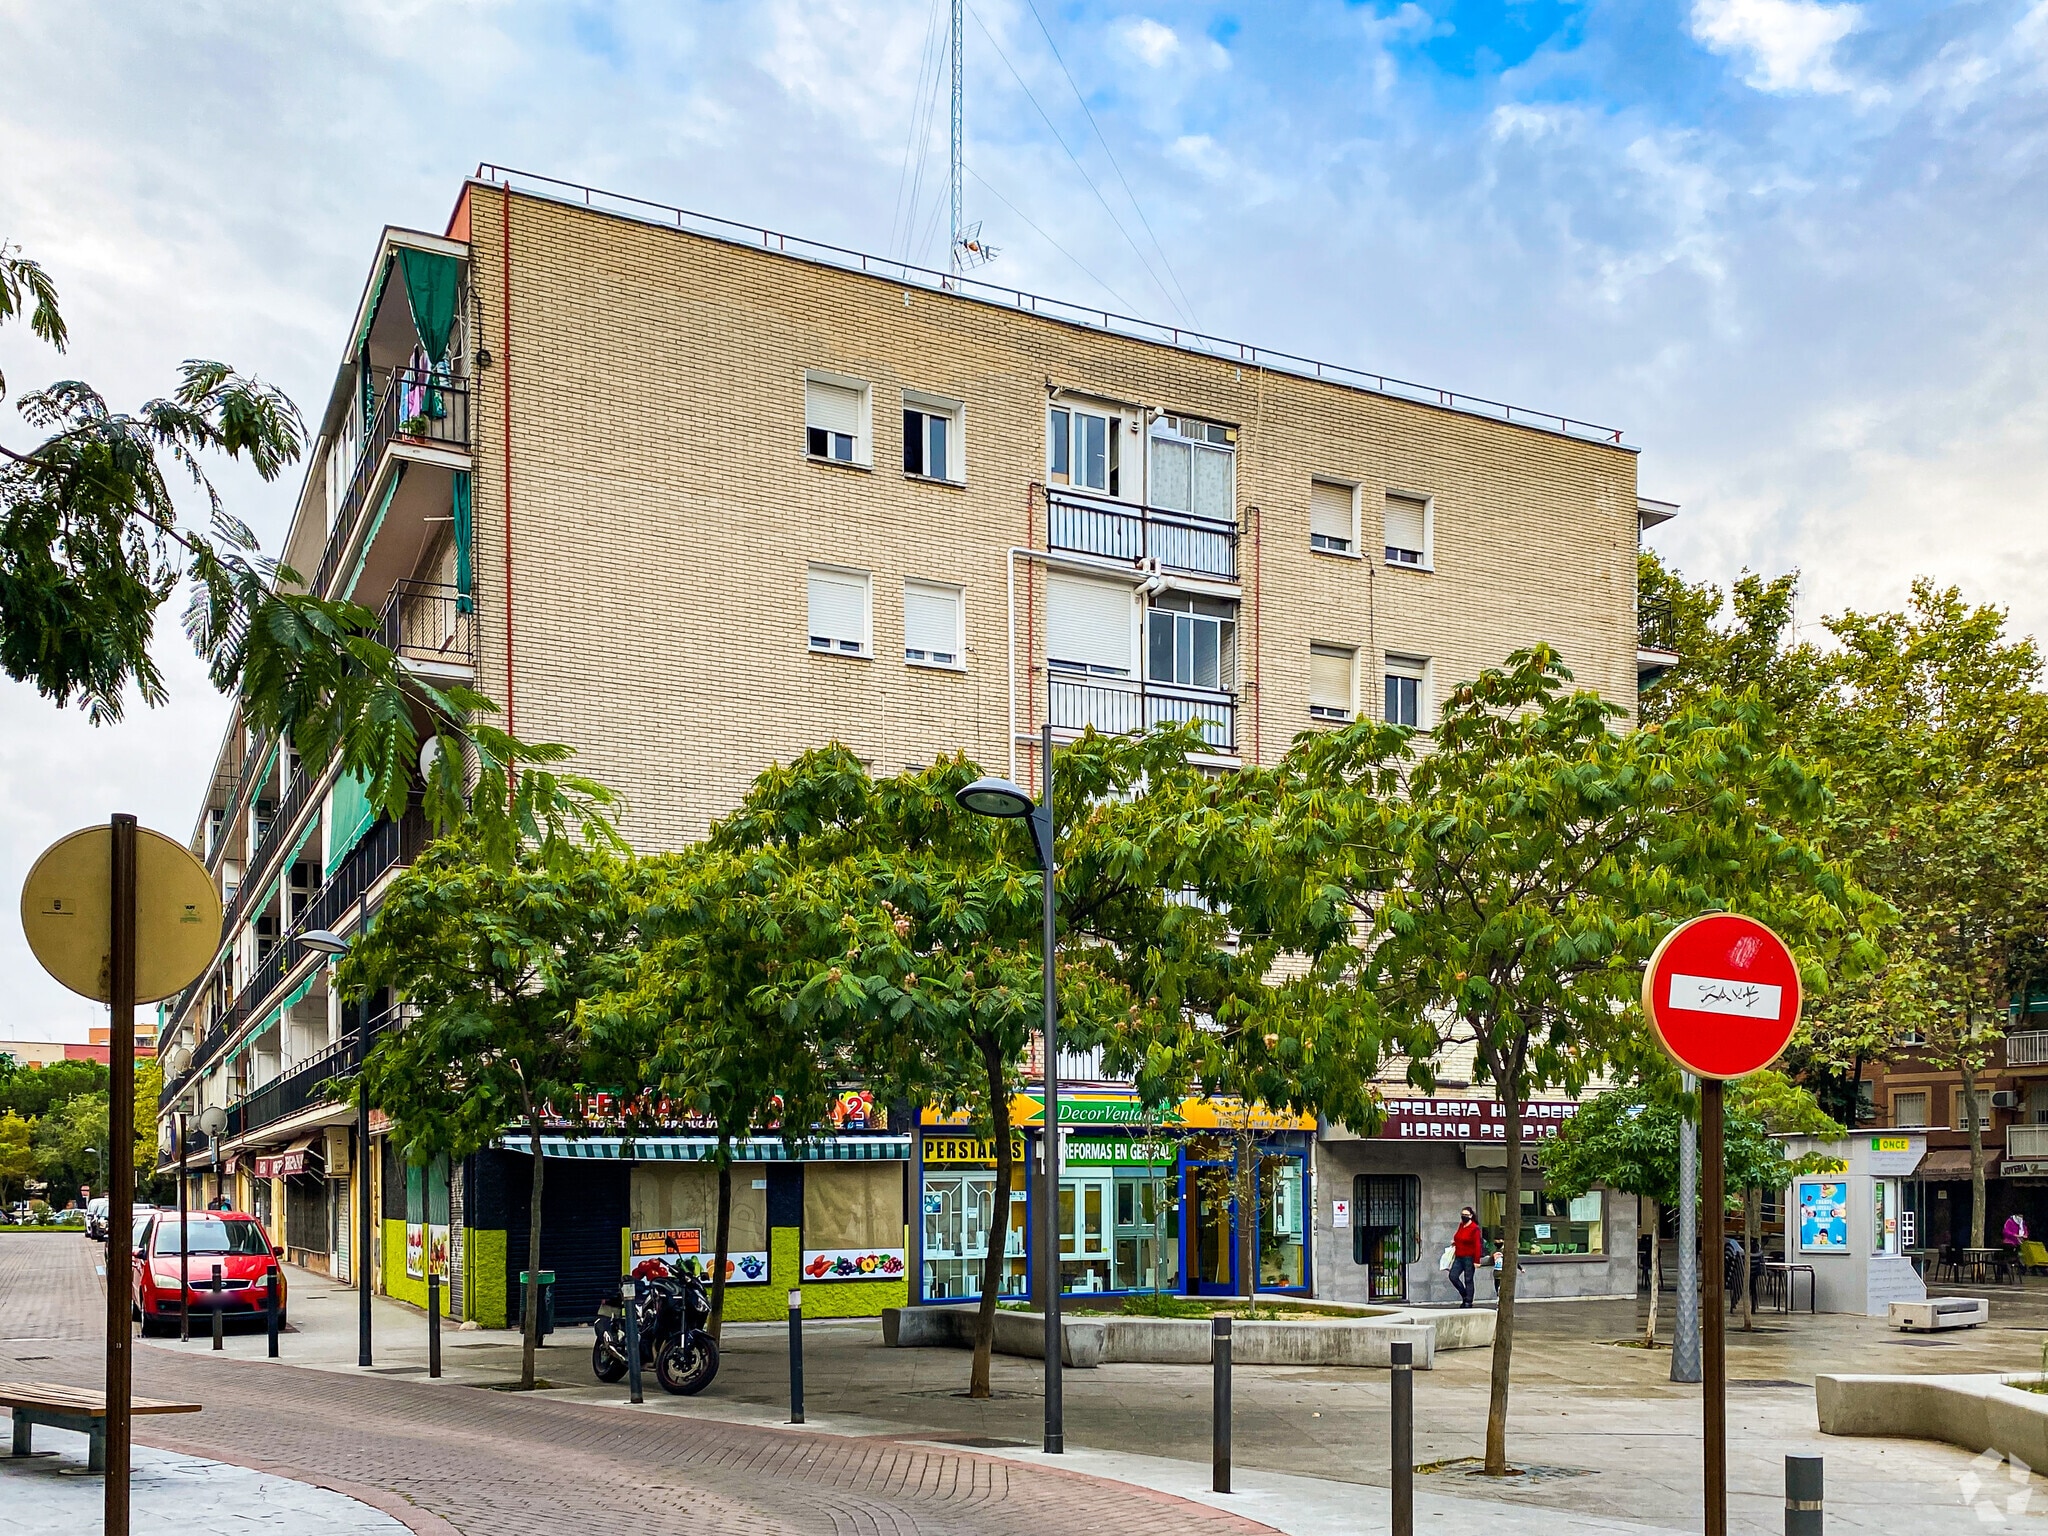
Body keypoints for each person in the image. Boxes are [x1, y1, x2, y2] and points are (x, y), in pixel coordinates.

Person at [1450, 1206, 1485, 1307]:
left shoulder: (1475, 1228)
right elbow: (1458, 1237)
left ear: (1471, 1216)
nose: (1464, 1217)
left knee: (1468, 1279)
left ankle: (1468, 1301)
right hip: (1459, 1256)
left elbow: (1477, 1245)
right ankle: (1465, 1295)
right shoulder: (1461, 1225)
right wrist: (1455, 1242)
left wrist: (1477, 1260)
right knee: (1453, 1276)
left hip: (1469, 1257)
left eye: (1466, 1215)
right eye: (1462, 1215)